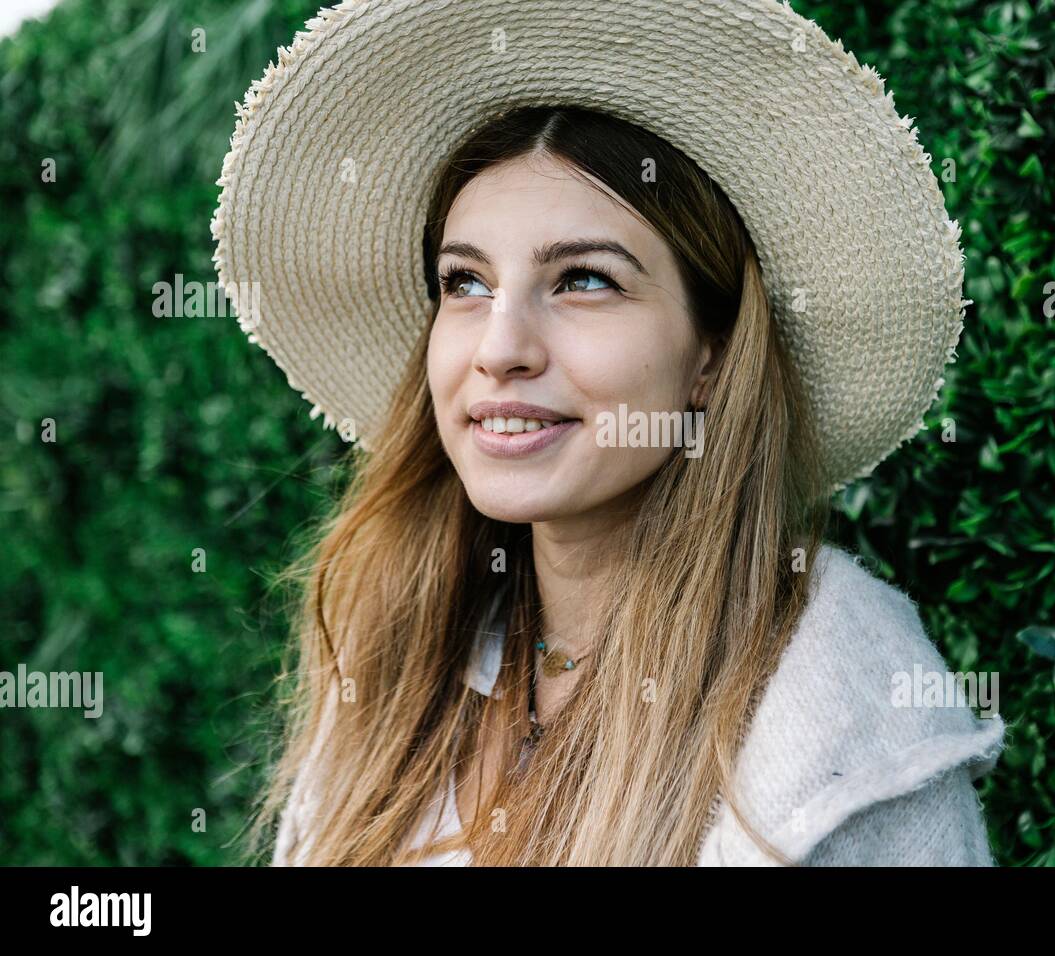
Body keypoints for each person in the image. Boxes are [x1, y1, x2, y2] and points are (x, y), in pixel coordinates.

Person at [213, 0, 1006, 867]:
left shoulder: (836, 714)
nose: (501, 348)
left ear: (711, 351)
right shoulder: (399, 650)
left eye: (584, 279)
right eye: (464, 282)